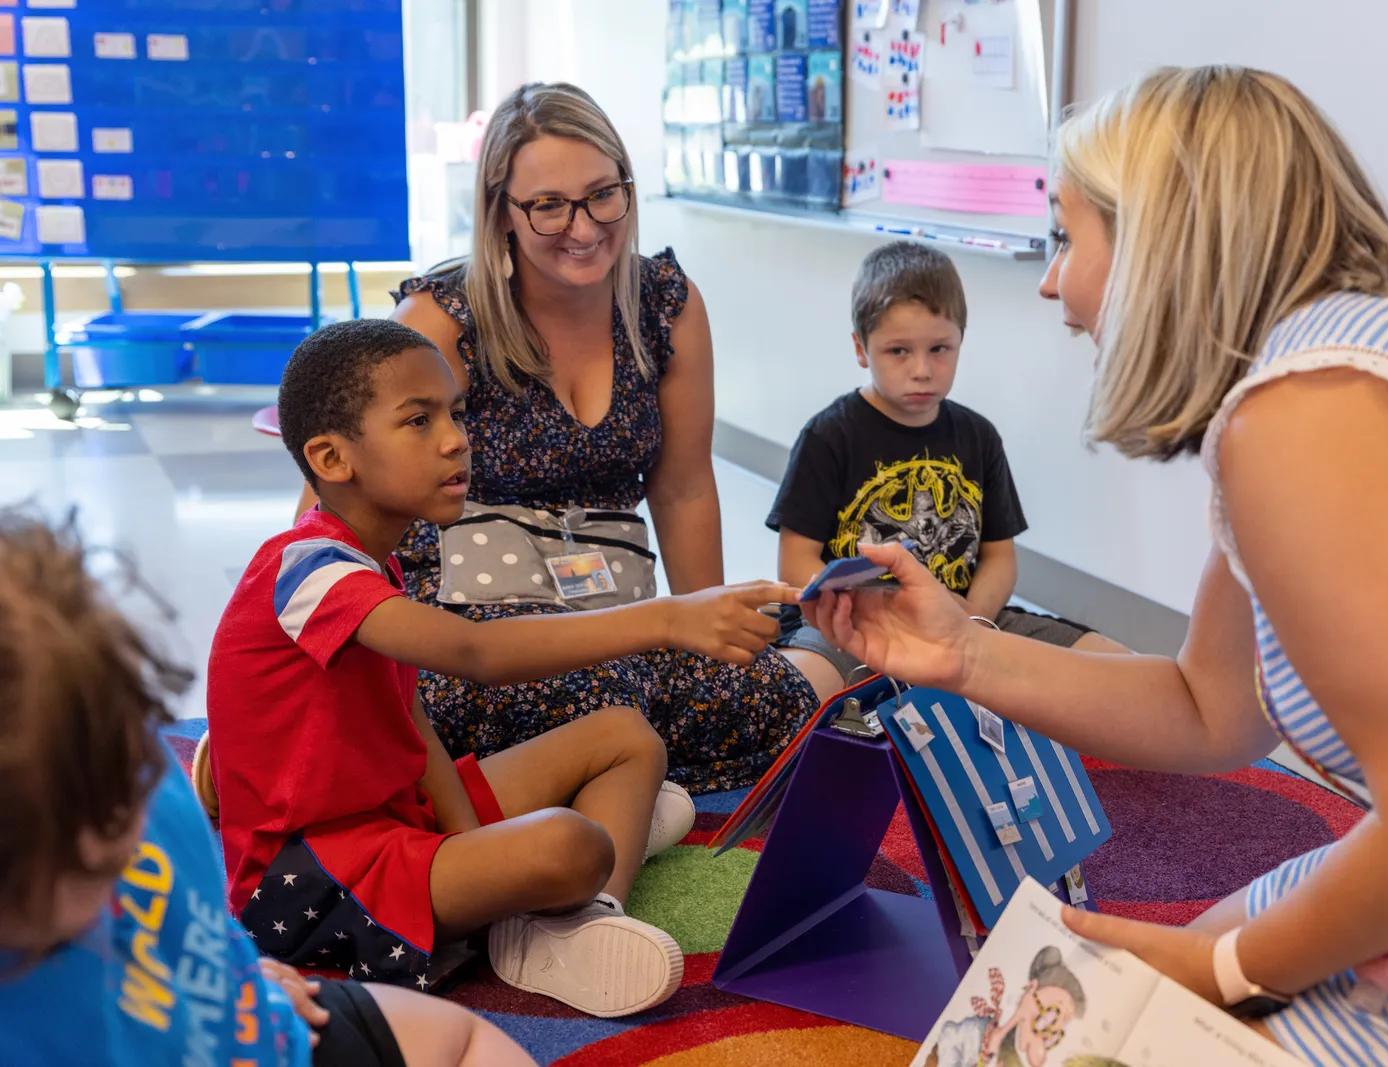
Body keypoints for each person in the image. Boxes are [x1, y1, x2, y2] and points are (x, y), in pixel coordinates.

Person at [808, 66, 1388, 1063]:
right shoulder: (1353, 363)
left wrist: (1225, 974)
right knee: (1145, 987)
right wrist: (966, 649)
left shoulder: (1299, 424)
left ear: (1158, 238)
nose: (1051, 282)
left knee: (1104, 1026)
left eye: (1064, 237)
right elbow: (1208, 703)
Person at [212, 319, 796, 1018]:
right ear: (332, 458)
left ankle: (583, 917)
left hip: (396, 820)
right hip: (313, 877)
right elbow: (474, 653)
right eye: (418, 420)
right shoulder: (309, 568)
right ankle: (583, 869)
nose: (457, 437)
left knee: (626, 735)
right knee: (575, 841)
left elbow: (411, 716)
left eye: (456, 413)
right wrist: (667, 617)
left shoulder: (373, 557)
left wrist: (472, 846)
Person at [296, 82, 818, 794]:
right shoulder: (443, 319)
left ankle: (594, 784)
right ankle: (601, 783)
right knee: (595, 695)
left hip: (612, 617)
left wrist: (714, 633)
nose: (583, 225)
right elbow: (328, 505)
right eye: (548, 205)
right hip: (474, 624)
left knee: (767, 698)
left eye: (604, 194)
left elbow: (684, 485)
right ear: (500, 213)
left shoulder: (665, 302)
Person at [0, 509, 538, 1067]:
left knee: (464, 1038)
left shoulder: (144, 784)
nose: (117, 843)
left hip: (267, 1021)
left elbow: (192, 921)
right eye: (62, 858)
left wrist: (243, 970)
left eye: (120, 795)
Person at [769, 240, 1125, 700]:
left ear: (960, 340)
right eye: (898, 351)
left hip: (967, 618)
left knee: (1117, 666)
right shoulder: (829, 435)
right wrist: (872, 611)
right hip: (854, 628)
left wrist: (971, 623)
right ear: (861, 349)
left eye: (940, 348)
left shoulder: (979, 436)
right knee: (791, 694)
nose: (922, 370)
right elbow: (796, 562)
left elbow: (999, 557)